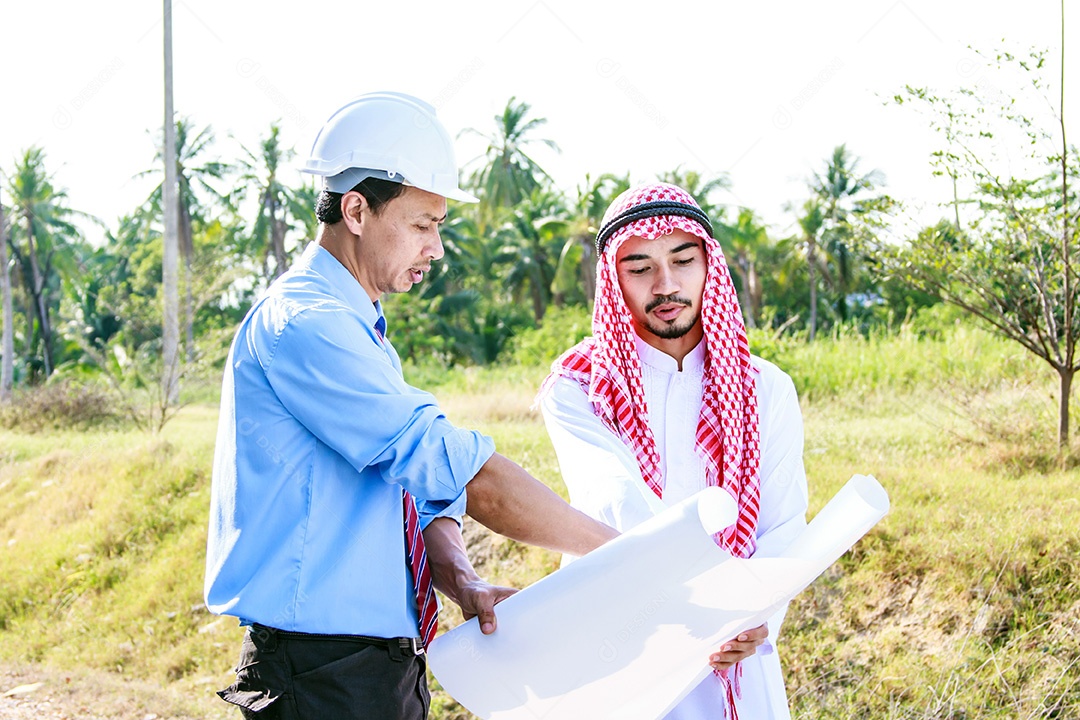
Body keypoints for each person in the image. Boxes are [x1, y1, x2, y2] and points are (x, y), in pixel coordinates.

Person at [204, 92, 617, 720]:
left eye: (439, 227)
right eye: (423, 225)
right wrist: (620, 552)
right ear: (356, 210)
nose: (436, 249)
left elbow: (412, 491)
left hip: (373, 666)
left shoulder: (354, 325)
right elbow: (458, 470)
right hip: (323, 673)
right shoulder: (307, 326)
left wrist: (461, 578)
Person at [537, 182, 809, 719]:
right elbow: (612, 498)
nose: (666, 285)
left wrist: (753, 619)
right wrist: (697, 607)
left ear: (710, 264)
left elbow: (782, 526)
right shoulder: (578, 387)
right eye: (639, 268)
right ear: (613, 281)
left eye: (683, 260)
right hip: (617, 643)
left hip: (735, 649)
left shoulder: (765, 387)